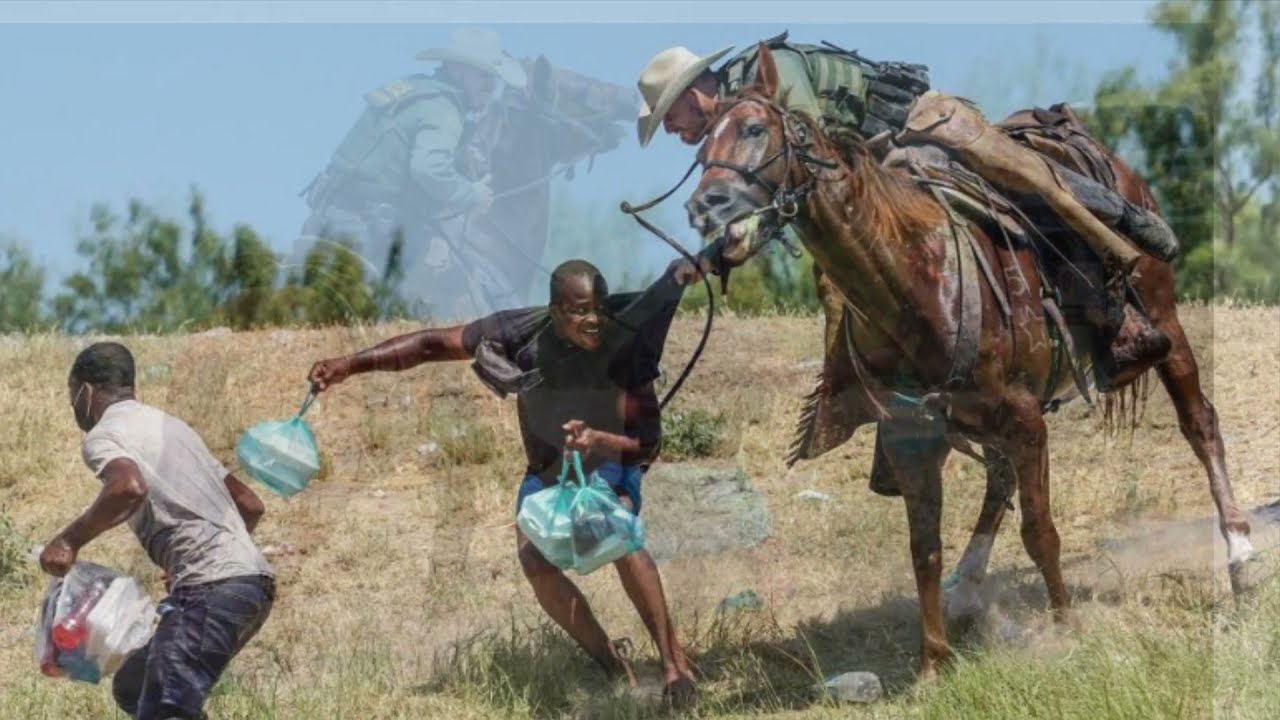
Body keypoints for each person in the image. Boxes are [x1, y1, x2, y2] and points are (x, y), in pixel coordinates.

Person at [635, 32, 1177, 394]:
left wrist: (725, 247)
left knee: (1018, 188)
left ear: (693, 92)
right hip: (871, 173)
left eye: (670, 117)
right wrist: (714, 256)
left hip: (915, 130)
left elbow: (806, 165)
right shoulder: (732, 129)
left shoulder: (765, 79)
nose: (673, 132)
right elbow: (784, 196)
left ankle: (1114, 310)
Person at [307, 259, 700, 705]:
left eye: (599, 309)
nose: (593, 320)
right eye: (579, 310)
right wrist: (349, 365)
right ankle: (615, 668)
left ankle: (674, 667)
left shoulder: (624, 338)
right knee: (535, 561)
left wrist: (597, 441)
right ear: (555, 311)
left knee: (616, 531)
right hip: (547, 468)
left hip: (611, 455)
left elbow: (645, 442)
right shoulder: (519, 331)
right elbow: (431, 345)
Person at [39, 342, 275, 720]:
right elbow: (249, 504)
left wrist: (68, 541)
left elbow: (127, 487)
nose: (72, 407)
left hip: (211, 587)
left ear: (84, 390)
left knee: (165, 708)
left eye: (71, 396)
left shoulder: (105, 435)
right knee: (137, 685)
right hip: (252, 584)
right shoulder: (172, 427)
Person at [296, 26, 529, 318]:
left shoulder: (417, 90)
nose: (490, 86)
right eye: (483, 76)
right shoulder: (444, 108)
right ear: (457, 69)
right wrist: (472, 195)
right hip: (369, 231)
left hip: (333, 215)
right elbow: (428, 170)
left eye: (492, 78)